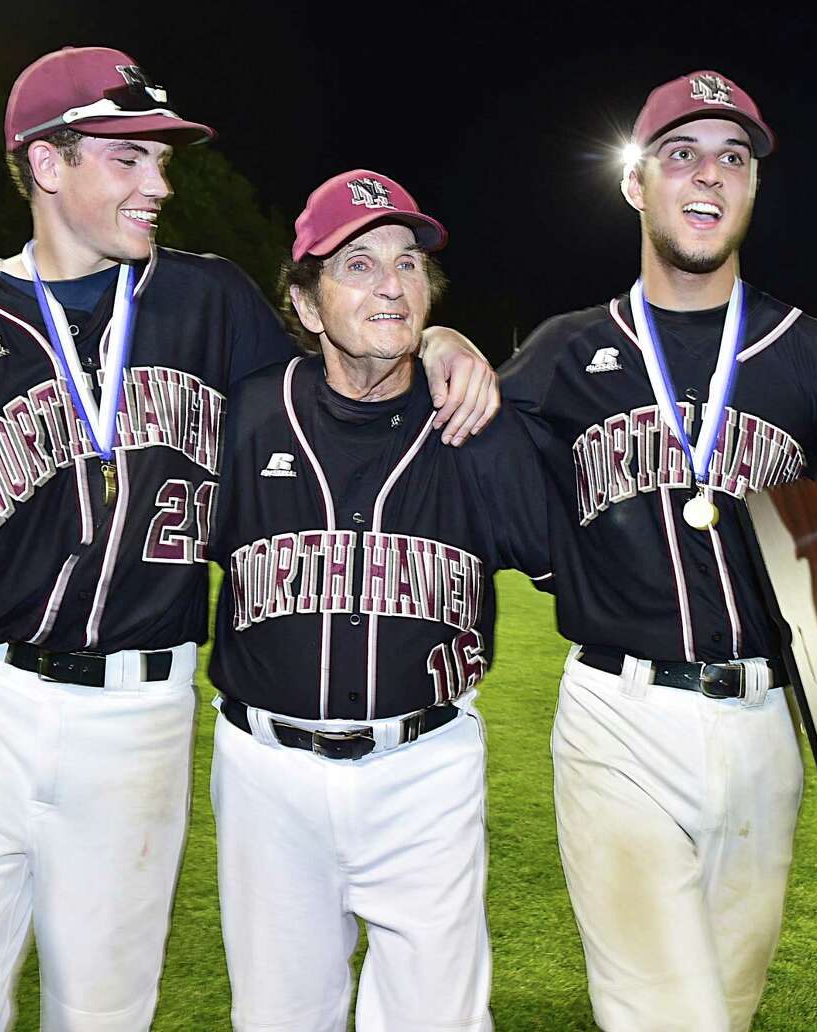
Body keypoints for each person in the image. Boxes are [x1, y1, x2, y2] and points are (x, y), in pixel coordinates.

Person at [0, 48, 497, 1032]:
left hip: (139, 715)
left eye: (161, 160)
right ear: (49, 165)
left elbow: (343, 373)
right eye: (130, 158)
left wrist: (441, 339)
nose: (161, 183)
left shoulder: (211, 303)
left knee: (102, 1011)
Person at [500, 70, 817, 1031]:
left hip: (769, 729)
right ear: (636, 183)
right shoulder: (565, 353)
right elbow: (457, 442)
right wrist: (446, 341)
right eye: (681, 154)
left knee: (726, 1009)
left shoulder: (814, 355)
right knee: (664, 1013)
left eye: (733, 158)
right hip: (618, 715)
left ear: (753, 186)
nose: (709, 176)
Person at [207, 169, 553, 1032]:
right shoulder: (242, 418)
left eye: (407, 263)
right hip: (266, 772)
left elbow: (574, 564)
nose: (392, 283)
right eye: (357, 264)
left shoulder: (477, 425)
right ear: (307, 303)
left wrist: (456, 348)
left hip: (425, 768)